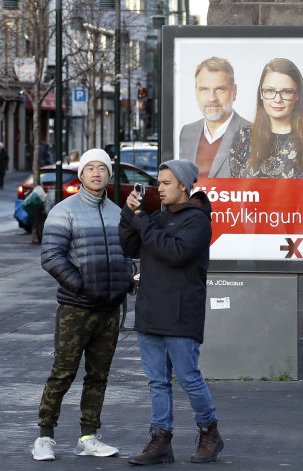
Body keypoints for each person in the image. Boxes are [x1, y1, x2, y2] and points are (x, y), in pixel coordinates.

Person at [119, 159, 224, 466]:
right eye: (158, 183)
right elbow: (129, 246)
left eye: (166, 183)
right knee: (157, 381)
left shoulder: (197, 220)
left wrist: (143, 222)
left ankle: (210, 433)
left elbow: (175, 253)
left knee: (188, 377)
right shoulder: (156, 217)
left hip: (180, 312)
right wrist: (129, 214)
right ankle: (160, 441)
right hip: (151, 309)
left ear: (183, 185)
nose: (159, 189)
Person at [32, 148, 134, 462]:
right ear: (81, 174)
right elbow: (51, 257)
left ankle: (89, 436)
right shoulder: (64, 211)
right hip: (75, 309)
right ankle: (44, 437)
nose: (96, 173)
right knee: (63, 373)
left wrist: (126, 281)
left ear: (108, 174)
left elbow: (127, 255)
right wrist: (82, 286)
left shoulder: (118, 212)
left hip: (109, 310)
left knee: (98, 375)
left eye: (101, 168)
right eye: (89, 168)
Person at [229, 58, 303, 179]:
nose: (277, 99)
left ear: (297, 95)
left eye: (286, 92)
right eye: (270, 90)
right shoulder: (243, 138)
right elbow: (236, 191)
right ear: (261, 94)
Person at [179, 57, 251, 178]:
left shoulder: (255, 135)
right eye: (204, 89)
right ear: (196, 92)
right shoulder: (187, 132)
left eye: (219, 89)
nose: (212, 98)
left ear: (234, 92)